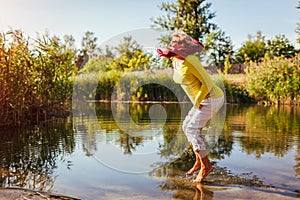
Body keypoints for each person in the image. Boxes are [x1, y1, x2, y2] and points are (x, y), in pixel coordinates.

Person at [157, 31, 224, 182]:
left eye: (176, 43)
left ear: (184, 46)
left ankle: (207, 166)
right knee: (187, 126)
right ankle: (199, 161)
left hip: (212, 97)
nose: (171, 45)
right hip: (202, 99)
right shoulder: (174, 59)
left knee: (192, 129)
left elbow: (207, 83)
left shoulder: (191, 60)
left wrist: (197, 101)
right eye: (171, 42)